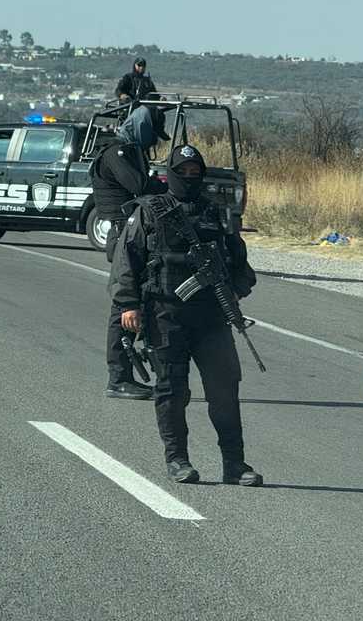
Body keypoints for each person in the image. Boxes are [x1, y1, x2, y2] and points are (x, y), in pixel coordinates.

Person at [110, 143, 261, 486]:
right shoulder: (149, 211)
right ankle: (178, 460)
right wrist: (128, 305)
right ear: (170, 175)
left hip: (212, 318)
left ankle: (234, 464)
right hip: (165, 314)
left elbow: (242, 267)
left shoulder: (216, 214)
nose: (190, 178)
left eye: (196, 173)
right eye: (184, 173)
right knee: (172, 390)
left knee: (224, 390)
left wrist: (233, 291)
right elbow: (126, 261)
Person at [91, 105, 170, 399]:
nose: (153, 141)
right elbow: (138, 185)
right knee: (124, 304)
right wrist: (167, 187)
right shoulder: (117, 152)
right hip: (122, 232)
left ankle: (131, 370)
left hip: (133, 231)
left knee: (142, 298)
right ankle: (119, 377)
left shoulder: (129, 151)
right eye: (151, 134)